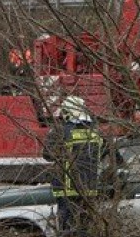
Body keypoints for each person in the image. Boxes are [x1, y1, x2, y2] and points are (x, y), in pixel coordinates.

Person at [46, 98, 104, 237]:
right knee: (85, 227)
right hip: (89, 187)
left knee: (68, 228)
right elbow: (107, 154)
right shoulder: (95, 131)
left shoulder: (60, 131)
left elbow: (47, 154)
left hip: (66, 188)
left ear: (67, 112)